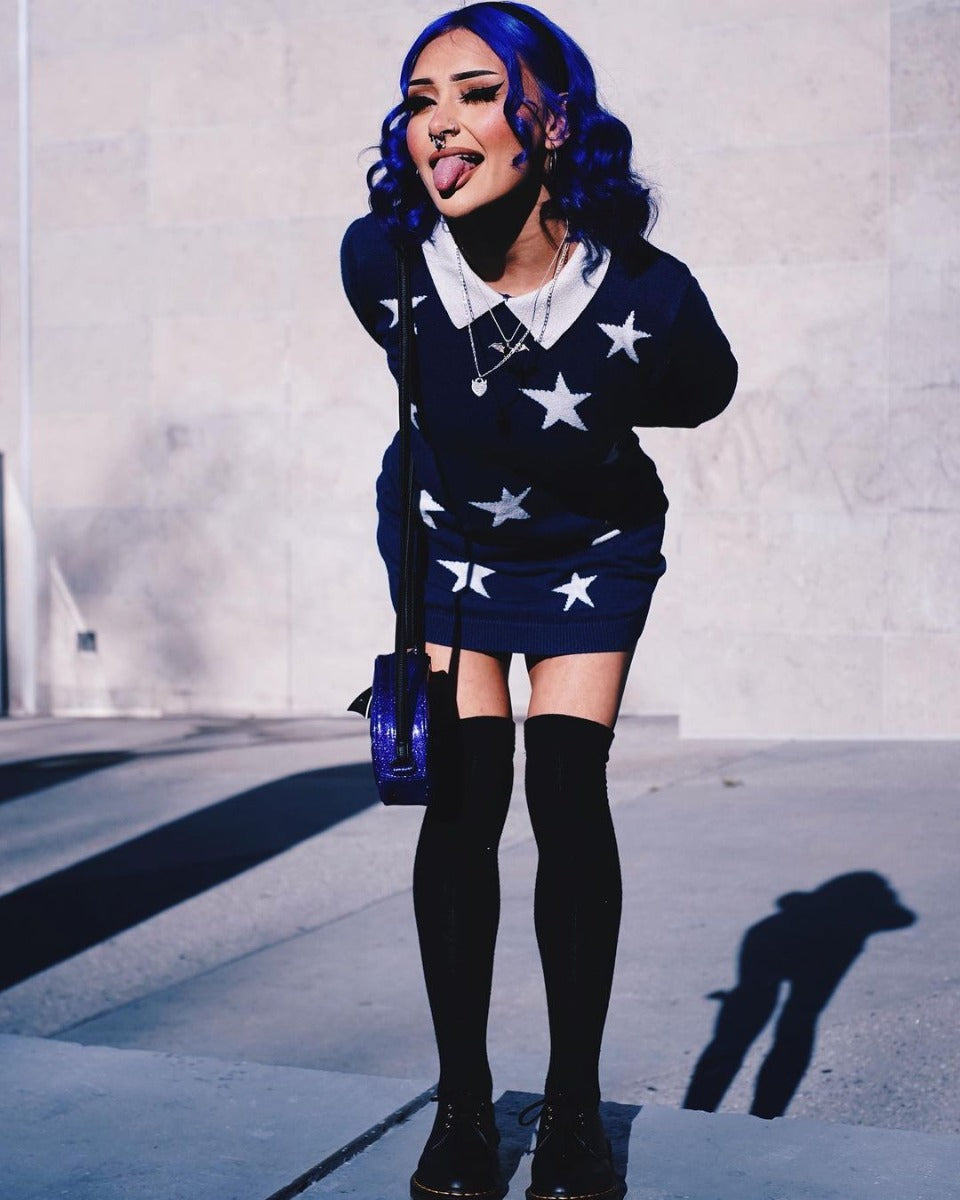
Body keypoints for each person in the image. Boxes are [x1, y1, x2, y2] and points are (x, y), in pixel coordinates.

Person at [340, 5, 737, 1198]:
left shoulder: (649, 296)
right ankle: (463, 1109)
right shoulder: (383, 262)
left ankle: (572, 1111)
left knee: (565, 788)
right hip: (452, 554)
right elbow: (438, 422)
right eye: (421, 100)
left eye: (472, 92)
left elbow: (705, 391)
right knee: (462, 802)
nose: (439, 124)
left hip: (593, 552)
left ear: (551, 122)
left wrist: (589, 401)